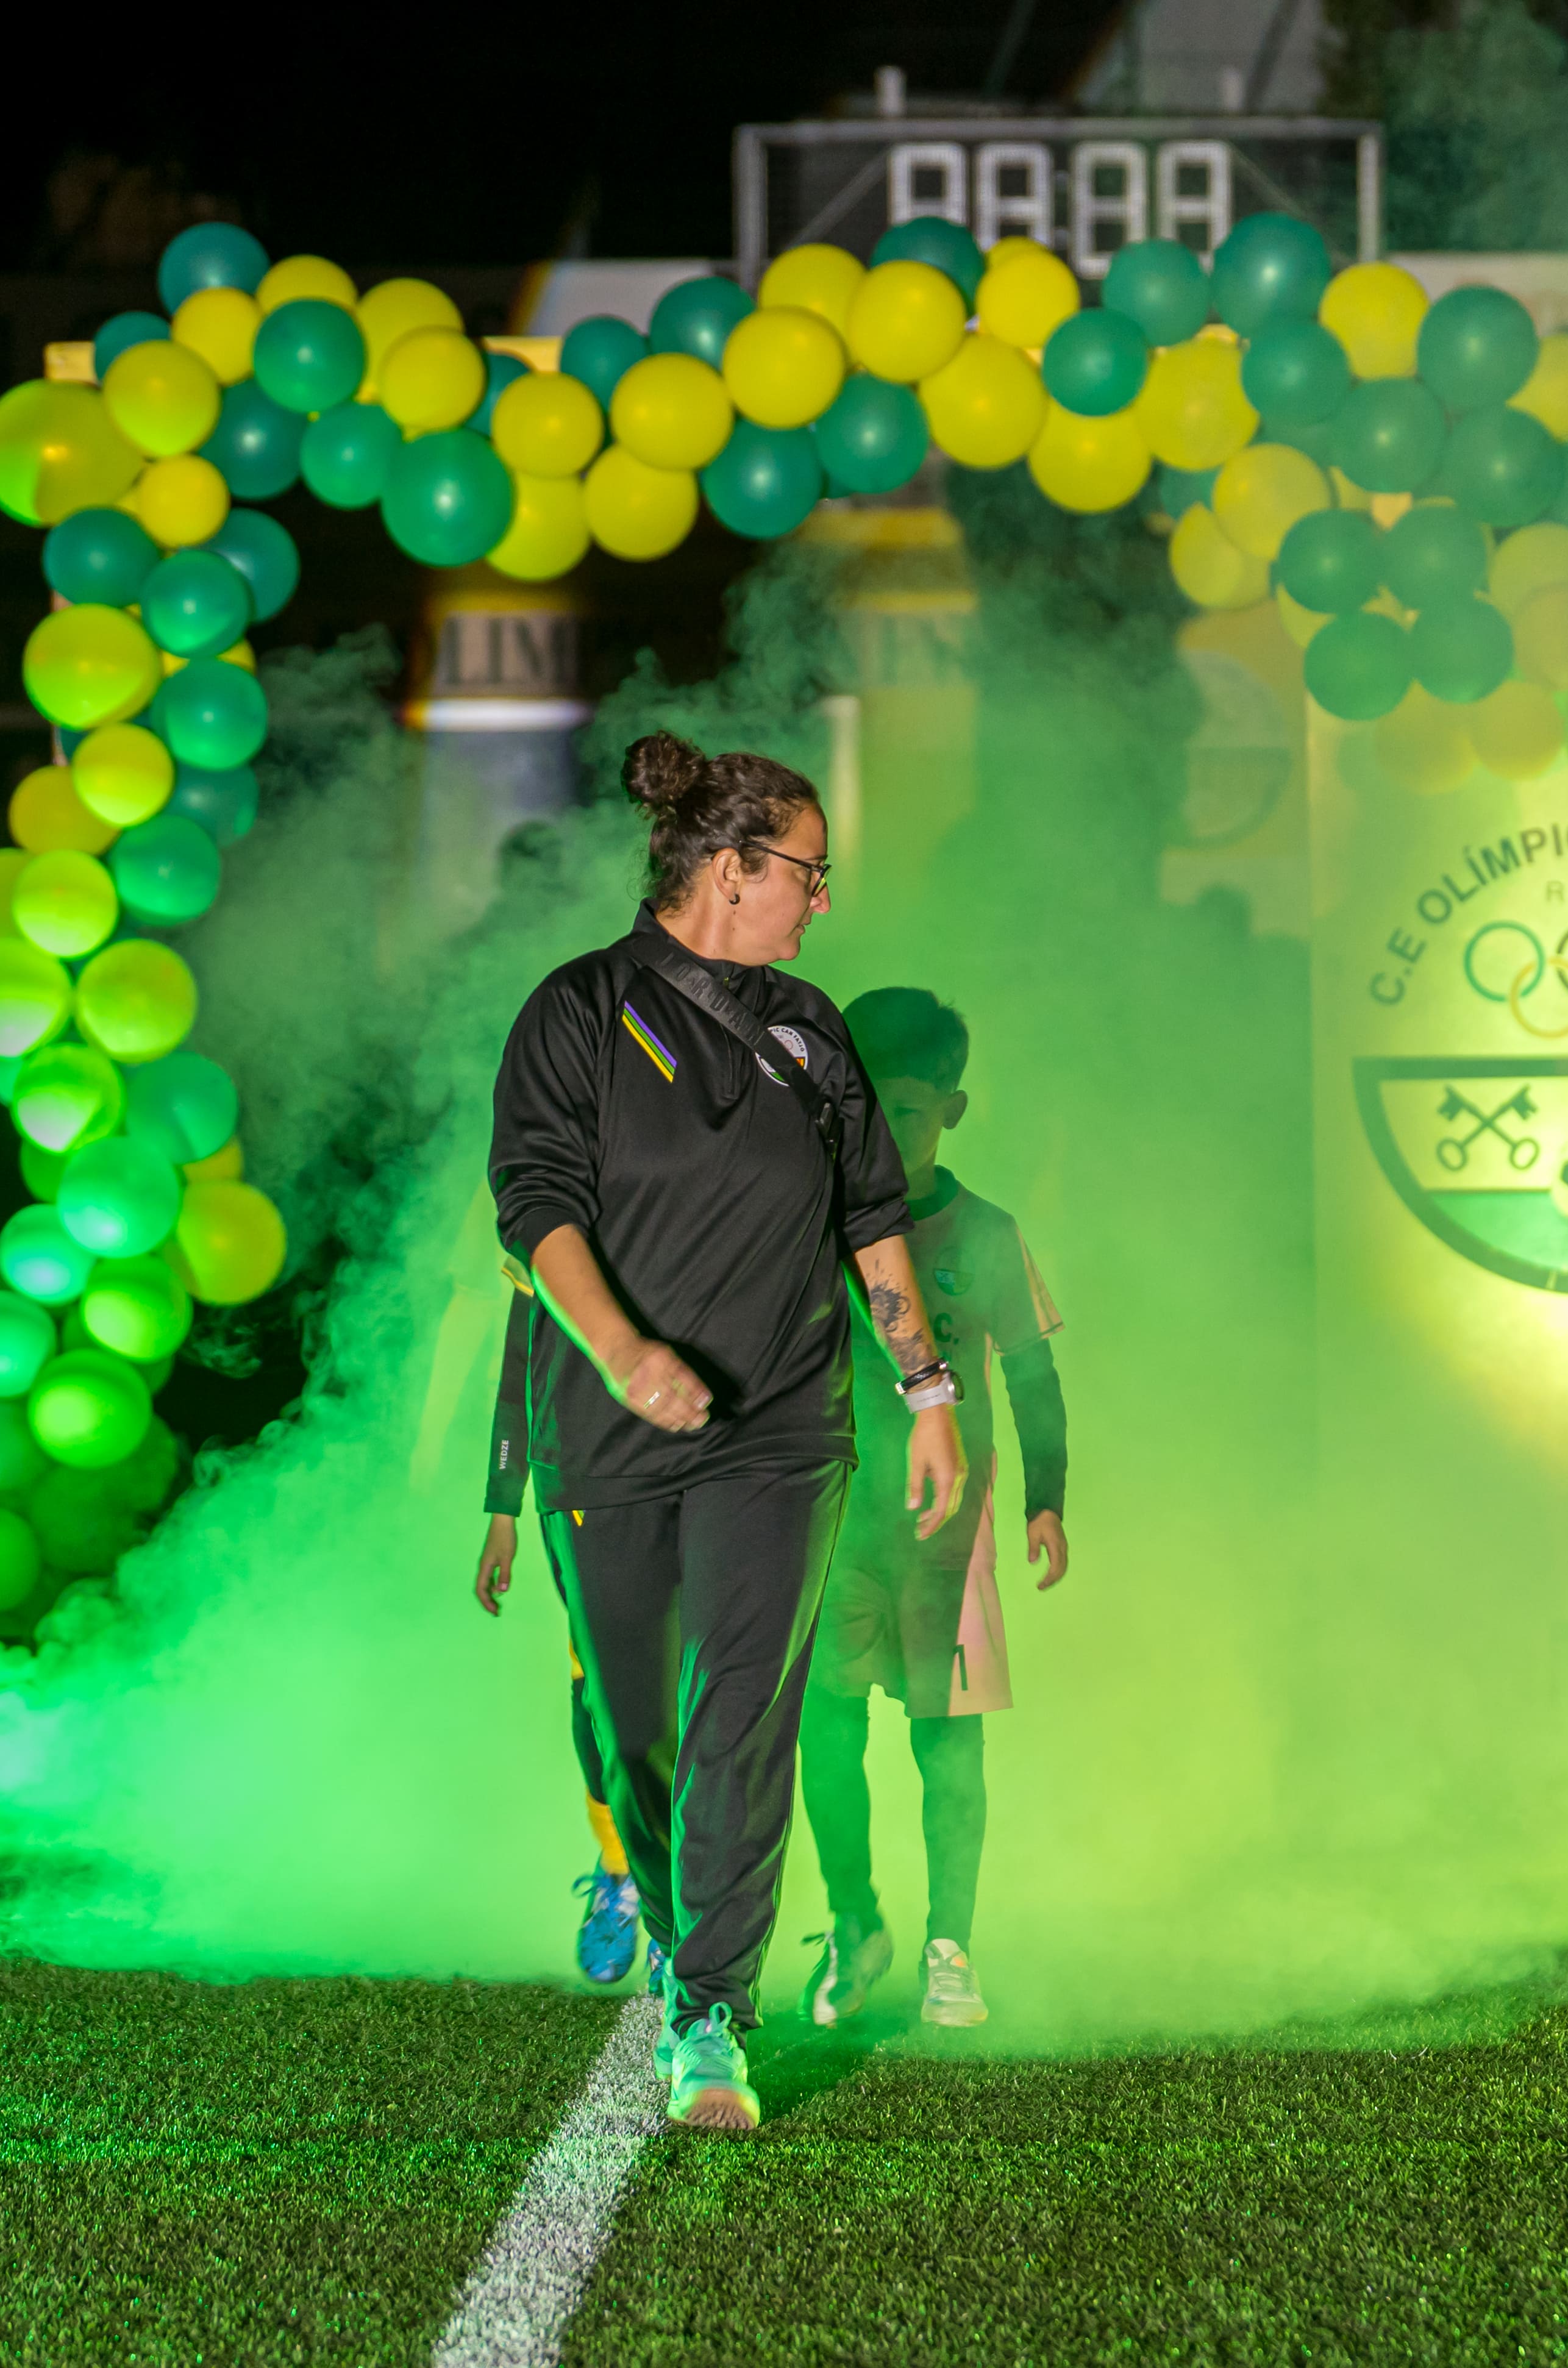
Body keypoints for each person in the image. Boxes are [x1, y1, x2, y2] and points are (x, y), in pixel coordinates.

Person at [486, 732, 964, 2132]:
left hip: (782, 1430)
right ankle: (659, 1904)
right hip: (609, 1425)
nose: (823, 901)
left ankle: (709, 2007)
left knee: (739, 1713)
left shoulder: (813, 1031)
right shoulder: (574, 1011)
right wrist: (625, 1351)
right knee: (634, 1722)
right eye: (807, 873)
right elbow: (533, 1203)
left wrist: (926, 1390)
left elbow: (870, 1217)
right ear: (732, 865)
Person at [799, 988, 1069, 2030]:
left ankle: (949, 1945)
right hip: (831, 1520)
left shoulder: (988, 1232)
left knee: (946, 1737)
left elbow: (1036, 1374)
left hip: (947, 1538)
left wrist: (1048, 1499)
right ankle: (854, 1916)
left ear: (950, 1109)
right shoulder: (805, 1216)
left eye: (908, 1108)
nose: (885, 1127)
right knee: (824, 1724)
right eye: (867, 1103)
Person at [472, 1272, 644, 1989]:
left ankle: (679, 1901)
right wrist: (502, 1509)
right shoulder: (549, 1226)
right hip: (580, 1488)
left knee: (692, 1694)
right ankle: (619, 1874)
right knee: (599, 1699)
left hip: (691, 1482)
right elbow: (520, 1373)